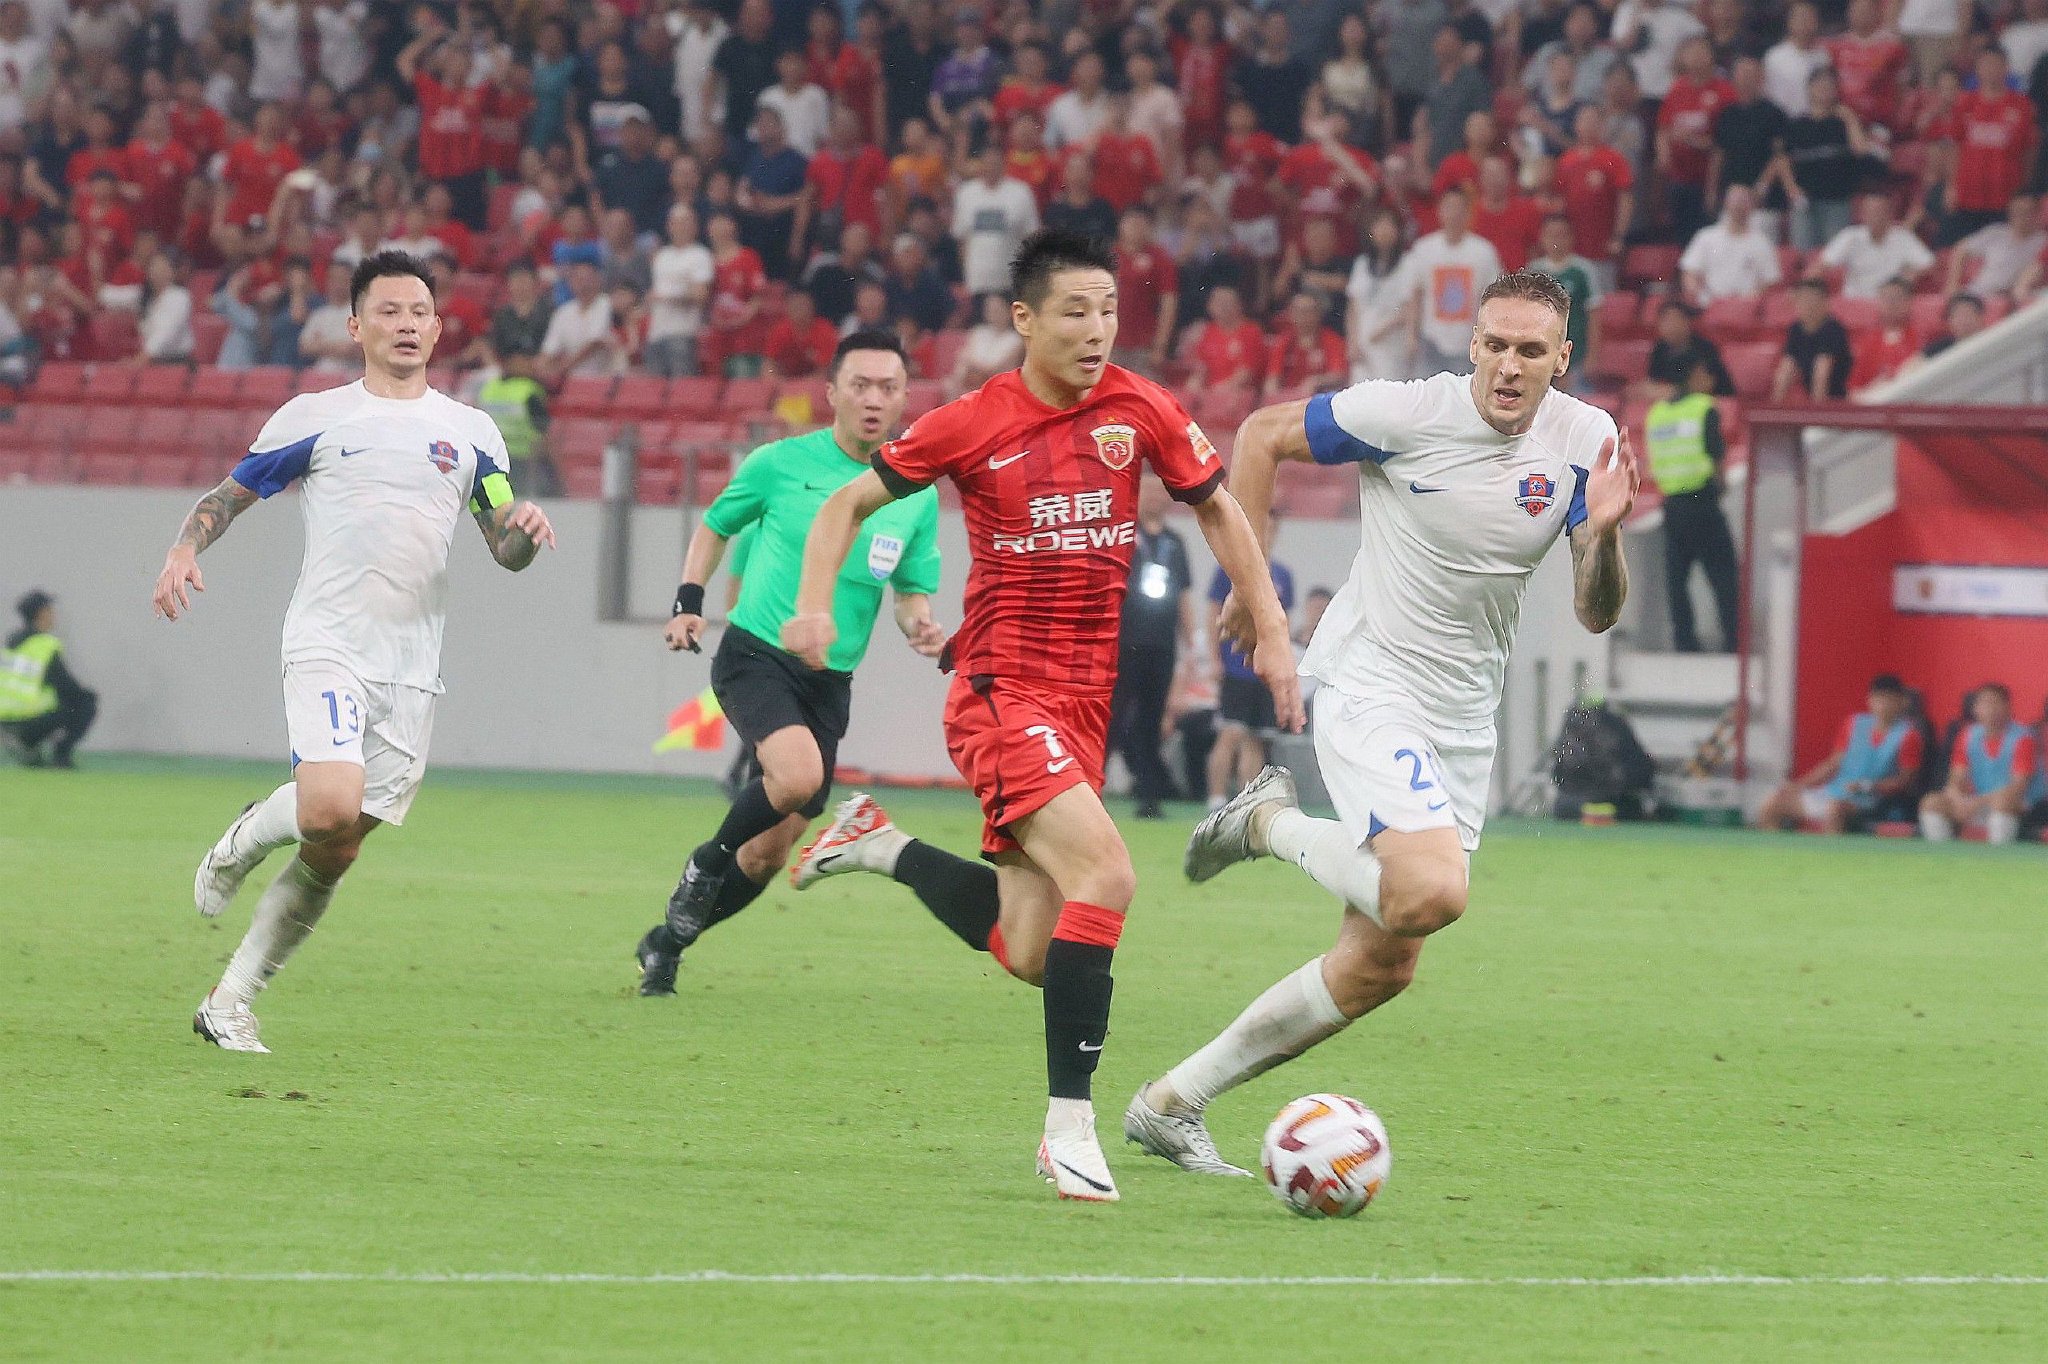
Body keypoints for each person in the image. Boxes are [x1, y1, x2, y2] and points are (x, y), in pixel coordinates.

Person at [778, 230, 1301, 1202]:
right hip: (996, 692)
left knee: (1029, 947)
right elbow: (844, 504)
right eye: (1074, 310)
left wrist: (1267, 627)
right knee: (1108, 871)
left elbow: (1220, 506)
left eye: (1107, 308)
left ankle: (880, 844)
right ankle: (1069, 1128)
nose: (1096, 328)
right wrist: (812, 605)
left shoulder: (1136, 406)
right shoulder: (972, 421)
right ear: (1022, 319)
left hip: (1080, 705)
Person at [1121, 269, 1638, 1177]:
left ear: (1564, 359)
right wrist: (1256, 585)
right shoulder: (1406, 412)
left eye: (1531, 351)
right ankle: (1271, 824)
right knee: (1434, 893)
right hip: (1372, 681)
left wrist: (1603, 537)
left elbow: (1596, 614)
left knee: (1381, 966)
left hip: (1462, 717)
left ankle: (1171, 1103)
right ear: (1471, 345)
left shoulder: (1585, 442)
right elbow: (1261, 434)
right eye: (1495, 345)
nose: (1509, 367)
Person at [151, 252, 557, 1054]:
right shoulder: (314, 416)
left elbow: (501, 544)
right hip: (329, 641)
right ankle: (243, 839)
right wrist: (181, 550)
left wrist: (527, 538)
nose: (406, 324)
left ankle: (229, 1002)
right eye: (389, 311)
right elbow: (228, 496)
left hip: (413, 667)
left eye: (418, 312)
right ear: (356, 326)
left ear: (438, 329)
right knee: (326, 808)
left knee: (335, 849)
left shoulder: (473, 434)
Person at [632, 332, 943, 994]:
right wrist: (689, 601)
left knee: (771, 851)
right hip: (755, 656)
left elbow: (911, 590)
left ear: (902, 400)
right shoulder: (779, 463)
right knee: (797, 778)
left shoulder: (914, 495)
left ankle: (668, 941)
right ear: (831, 393)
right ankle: (705, 862)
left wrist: (922, 626)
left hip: (829, 682)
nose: (873, 398)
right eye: (860, 384)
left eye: (887, 388)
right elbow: (716, 525)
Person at [1109, 482, 1196, 819]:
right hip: (1123, 643)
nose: (1156, 499)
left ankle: (1149, 795)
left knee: (1151, 722)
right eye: (1149, 492)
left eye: (1161, 493)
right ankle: (1092, 790)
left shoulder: (1175, 544)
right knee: (1111, 719)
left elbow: (1184, 596)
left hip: (1161, 646)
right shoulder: (1122, 536)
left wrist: (1192, 643)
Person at [1646, 360, 1740, 652]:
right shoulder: (1703, 408)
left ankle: (1685, 643)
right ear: (1694, 375)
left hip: (1672, 506)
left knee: (1677, 581)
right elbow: (1716, 455)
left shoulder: (1656, 415)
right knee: (1724, 575)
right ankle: (1732, 642)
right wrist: (1720, 487)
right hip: (1703, 502)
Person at [1756, 674, 1923, 833]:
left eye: (1889, 699)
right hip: (1832, 792)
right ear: (1869, 700)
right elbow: (1832, 764)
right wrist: (1798, 786)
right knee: (1773, 803)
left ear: (1902, 702)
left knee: (1834, 810)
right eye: (1878, 698)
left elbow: (1905, 781)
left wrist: (1867, 786)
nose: (1883, 705)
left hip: (1869, 801)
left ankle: (1830, 860)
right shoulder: (1853, 724)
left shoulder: (1909, 735)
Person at [1206, 520, 1295, 810]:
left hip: (1264, 668)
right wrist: (1215, 657)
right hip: (1236, 663)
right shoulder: (1230, 568)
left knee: (1256, 739)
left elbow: (1285, 621)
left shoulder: (1283, 574)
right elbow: (1213, 613)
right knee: (1230, 733)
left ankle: (1247, 802)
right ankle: (1216, 798)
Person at [1398, 187, 1502, 373]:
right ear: (1440, 211)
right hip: (1431, 341)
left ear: (1468, 213)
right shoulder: (1423, 249)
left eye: (1459, 208)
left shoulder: (1484, 252)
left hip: (1468, 342)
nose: (1453, 214)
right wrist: (1411, 336)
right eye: (1449, 207)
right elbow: (1415, 295)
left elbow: (1493, 300)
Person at [1920, 684, 2036, 844]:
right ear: (1975, 709)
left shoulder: (2022, 738)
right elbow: (1957, 777)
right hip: (1973, 804)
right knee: (1931, 802)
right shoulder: (1967, 735)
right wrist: (1958, 797)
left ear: (2008, 707)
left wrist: (1977, 802)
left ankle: (1999, 858)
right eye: (1985, 704)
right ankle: (1943, 857)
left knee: (2002, 802)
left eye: (1996, 703)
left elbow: (2018, 786)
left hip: (2012, 804)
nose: (1991, 709)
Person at [0, 590, 97, 768]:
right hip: (29, 719)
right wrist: (87, 696)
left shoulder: (12, 644)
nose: (53, 615)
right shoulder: (44, 645)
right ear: (41, 613)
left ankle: (29, 748)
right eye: (50, 610)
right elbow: (66, 686)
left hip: (4, 717)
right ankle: (61, 754)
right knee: (85, 703)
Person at [1772, 277, 1852, 400]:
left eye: (1813, 300)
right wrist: (1774, 410)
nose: (1808, 306)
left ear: (1825, 303)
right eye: (1803, 300)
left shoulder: (1833, 329)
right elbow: (1786, 368)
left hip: (1839, 399)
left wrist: (1816, 414)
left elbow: (1822, 373)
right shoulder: (1796, 329)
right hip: (1811, 396)